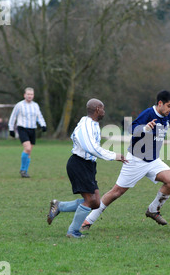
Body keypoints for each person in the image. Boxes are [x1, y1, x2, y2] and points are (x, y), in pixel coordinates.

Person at [80, 90, 170, 231]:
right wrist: (145, 128)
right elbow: (132, 128)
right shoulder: (148, 113)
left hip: (153, 161)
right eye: (169, 106)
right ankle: (87, 221)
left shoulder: (167, 115)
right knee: (116, 192)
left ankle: (153, 210)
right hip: (136, 160)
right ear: (160, 103)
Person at [46, 99, 127, 238]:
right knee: (90, 200)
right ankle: (73, 231)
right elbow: (92, 148)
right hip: (79, 164)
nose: (104, 112)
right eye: (103, 109)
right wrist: (114, 155)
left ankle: (59, 206)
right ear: (97, 110)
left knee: (95, 202)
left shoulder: (91, 123)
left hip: (88, 165)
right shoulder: (86, 125)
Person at [8, 87, 47, 178]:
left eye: (31, 94)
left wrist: (43, 125)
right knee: (28, 148)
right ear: (24, 95)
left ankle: (25, 171)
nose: (30, 96)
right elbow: (13, 116)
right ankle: (22, 169)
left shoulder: (35, 105)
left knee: (29, 152)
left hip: (32, 129)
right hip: (22, 128)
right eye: (28, 94)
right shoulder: (19, 105)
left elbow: (39, 116)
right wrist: (11, 129)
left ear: (33, 96)